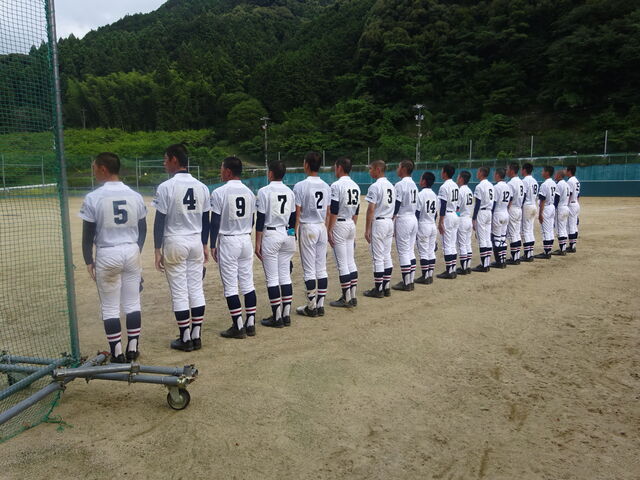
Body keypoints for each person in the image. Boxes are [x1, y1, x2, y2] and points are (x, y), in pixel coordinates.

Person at [80, 152, 147, 363]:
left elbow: (87, 234)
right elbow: (143, 229)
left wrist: (88, 260)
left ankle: (117, 353)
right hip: (131, 250)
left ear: (103, 169)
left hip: (107, 252)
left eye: (94, 167)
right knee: (132, 303)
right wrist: (136, 250)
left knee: (110, 307)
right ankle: (133, 348)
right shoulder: (135, 195)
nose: (93, 171)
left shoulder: (94, 197)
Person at [152, 144, 210, 352]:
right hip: (195, 241)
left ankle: (185, 338)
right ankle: (196, 336)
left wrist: (157, 249)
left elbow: (159, 221)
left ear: (174, 160)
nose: (164, 163)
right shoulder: (202, 187)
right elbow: (205, 219)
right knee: (196, 289)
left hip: (175, 240)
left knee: (179, 292)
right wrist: (204, 244)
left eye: (165, 159)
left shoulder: (166, 187)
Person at [210, 156, 257, 338]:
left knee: (230, 286)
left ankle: (238, 326)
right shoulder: (250, 192)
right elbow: (252, 220)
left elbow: (215, 221)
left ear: (228, 171)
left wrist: (212, 244)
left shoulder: (219, 192)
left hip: (228, 240)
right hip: (245, 239)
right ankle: (250, 323)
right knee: (247, 283)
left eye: (222, 168)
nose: (220, 172)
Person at [255, 161, 296, 328]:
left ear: (271, 173)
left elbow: (260, 219)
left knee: (272, 278)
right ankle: (286, 315)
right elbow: (293, 218)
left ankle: (277, 317)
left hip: (271, 234)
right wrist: (291, 236)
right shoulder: (289, 191)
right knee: (285, 276)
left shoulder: (264, 191)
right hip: (287, 233)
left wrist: (257, 242)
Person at [293, 152, 331, 317]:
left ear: (307, 164)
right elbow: (328, 212)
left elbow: (297, 213)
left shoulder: (300, 186)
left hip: (307, 227)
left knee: (309, 270)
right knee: (321, 268)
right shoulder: (326, 186)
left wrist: (292, 232)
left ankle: (311, 306)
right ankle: (320, 305)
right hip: (321, 226)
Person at [327, 157, 360, 308]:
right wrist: (353, 226)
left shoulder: (336, 185)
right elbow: (357, 211)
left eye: (335, 167)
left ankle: (346, 298)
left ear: (340, 167)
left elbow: (333, 210)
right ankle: (352, 296)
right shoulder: (355, 185)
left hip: (339, 224)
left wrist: (330, 229)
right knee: (350, 262)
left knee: (342, 264)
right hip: (351, 223)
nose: (335, 169)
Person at [362, 160, 396, 298]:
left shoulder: (375, 186)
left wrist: (367, 229)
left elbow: (371, 209)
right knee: (386, 255)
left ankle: (378, 289)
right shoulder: (391, 186)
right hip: (389, 221)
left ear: (378, 169)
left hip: (380, 222)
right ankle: (386, 287)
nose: (369, 171)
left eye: (371, 168)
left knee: (378, 257)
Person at [392, 160, 419, 291]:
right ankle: (410, 280)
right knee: (410, 251)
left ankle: (406, 283)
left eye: (399, 167)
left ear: (403, 169)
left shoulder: (400, 184)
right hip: (413, 218)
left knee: (403, 252)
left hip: (403, 219)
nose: (397, 169)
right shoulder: (414, 184)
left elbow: (396, 205)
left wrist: (391, 219)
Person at [436, 164, 460, 279]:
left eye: (442, 171)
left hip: (447, 216)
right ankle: (453, 269)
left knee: (447, 245)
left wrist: (440, 221)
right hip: (455, 214)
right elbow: (458, 205)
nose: (441, 173)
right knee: (452, 244)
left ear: (445, 173)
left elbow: (443, 204)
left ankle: (449, 271)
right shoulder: (455, 185)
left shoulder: (444, 187)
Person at [415, 171, 438, 284]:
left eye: (421, 178)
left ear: (424, 181)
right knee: (431, 251)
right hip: (432, 224)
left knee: (424, 252)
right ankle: (430, 275)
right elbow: (436, 214)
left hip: (423, 224)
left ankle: (425, 276)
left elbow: (417, 213)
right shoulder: (435, 195)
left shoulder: (420, 194)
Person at [472, 167, 494, 272]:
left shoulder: (479, 186)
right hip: (489, 212)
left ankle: (484, 265)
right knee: (487, 238)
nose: (477, 173)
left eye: (478, 171)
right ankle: (487, 263)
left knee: (482, 240)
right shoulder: (491, 185)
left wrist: (474, 218)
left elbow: (478, 203)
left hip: (482, 212)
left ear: (481, 173)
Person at [491, 167, 511, 268]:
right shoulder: (508, 186)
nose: (494, 176)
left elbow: (494, 203)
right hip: (505, 212)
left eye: (495, 174)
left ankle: (499, 261)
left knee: (497, 238)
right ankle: (503, 260)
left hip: (498, 213)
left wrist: (490, 214)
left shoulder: (496, 187)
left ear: (498, 175)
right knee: (503, 238)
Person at [535, 165, 556, 259]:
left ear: (547, 172)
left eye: (543, 171)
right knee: (550, 230)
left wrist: (540, 214)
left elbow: (542, 200)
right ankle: (549, 250)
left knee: (546, 231)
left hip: (546, 208)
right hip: (552, 207)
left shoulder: (544, 184)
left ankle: (546, 253)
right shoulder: (554, 183)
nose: (542, 172)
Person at [506, 163, 525, 265]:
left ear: (512, 170)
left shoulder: (511, 183)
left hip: (512, 208)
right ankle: (516, 256)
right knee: (517, 233)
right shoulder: (521, 182)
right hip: (519, 208)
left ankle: (514, 258)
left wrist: (506, 210)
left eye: (508, 169)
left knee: (513, 234)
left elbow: (510, 198)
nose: (506, 171)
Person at [456, 170, 473, 275]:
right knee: (467, 243)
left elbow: (457, 208)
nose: (457, 179)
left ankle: (463, 268)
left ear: (461, 179)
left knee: (462, 244)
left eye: (458, 177)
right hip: (469, 219)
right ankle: (468, 266)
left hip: (462, 219)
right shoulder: (469, 190)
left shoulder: (460, 190)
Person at [520, 162, 539, 262]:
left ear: (524, 170)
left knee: (525, 231)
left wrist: (520, 206)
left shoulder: (524, 181)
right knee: (530, 230)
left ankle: (527, 255)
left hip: (527, 206)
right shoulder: (535, 181)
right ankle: (530, 253)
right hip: (533, 205)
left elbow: (523, 196)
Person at [551, 169, 570, 256]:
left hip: (560, 208)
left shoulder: (559, 184)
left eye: (556, 174)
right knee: (564, 229)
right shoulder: (566, 184)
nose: (555, 175)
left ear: (559, 175)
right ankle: (563, 248)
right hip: (566, 207)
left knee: (560, 230)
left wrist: (553, 208)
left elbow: (556, 199)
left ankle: (562, 250)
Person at [565, 165, 581, 253]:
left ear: (569, 171)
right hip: (576, 203)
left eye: (566, 170)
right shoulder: (577, 181)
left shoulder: (570, 181)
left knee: (571, 226)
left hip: (571, 204)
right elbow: (578, 195)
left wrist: (566, 205)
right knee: (574, 226)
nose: (565, 171)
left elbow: (569, 194)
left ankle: (572, 247)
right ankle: (573, 245)